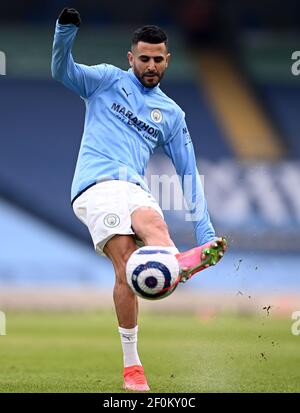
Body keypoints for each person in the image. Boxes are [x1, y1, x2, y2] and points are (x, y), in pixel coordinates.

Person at [51, 7, 227, 392]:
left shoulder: (172, 114)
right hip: (94, 187)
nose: (150, 65)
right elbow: (62, 71)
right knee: (127, 265)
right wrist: (64, 31)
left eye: (157, 59)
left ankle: (176, 263)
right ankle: (132, 365)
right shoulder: (105, 81)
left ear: (168, 60)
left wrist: (206, 232)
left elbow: (187, 174)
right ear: (131, 58)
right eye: (143, 58)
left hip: (132, 186)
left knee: (156, 225)